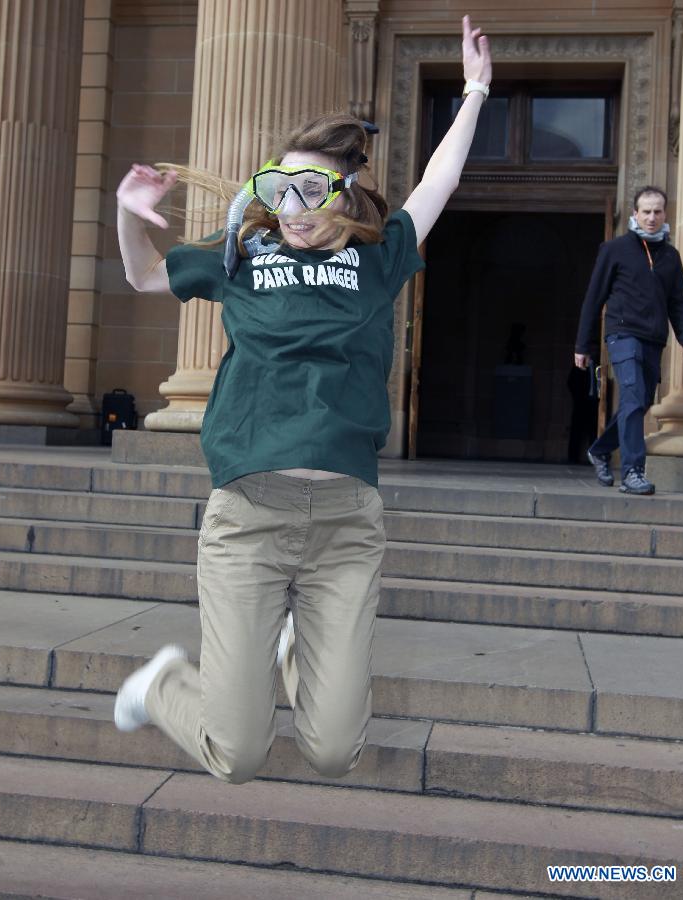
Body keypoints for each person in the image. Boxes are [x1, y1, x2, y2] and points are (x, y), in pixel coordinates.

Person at [112, 16, 492, 783]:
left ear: (343, 192)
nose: (290, 203)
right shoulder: (240, 261)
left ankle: (294, 653)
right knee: (239, 754)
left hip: (346, 527)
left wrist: (475, 91)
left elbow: (437, 182)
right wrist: (129, 212)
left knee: (331, 751)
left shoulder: (379, 260)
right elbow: (143, 277)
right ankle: (161, 685)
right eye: (275, 187)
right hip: (248, 516)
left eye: (309, 187)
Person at [574, 186, 683, 495]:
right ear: (635, 214)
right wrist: (582, 345)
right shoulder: (615, 249)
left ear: (664, 214)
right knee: (632, 394)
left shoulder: (671, 256)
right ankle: (632, 472)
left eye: (657, 212)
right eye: (646, 212)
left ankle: (601, 450)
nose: (652, 217)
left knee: (640, 401)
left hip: (654, 339)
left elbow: (679, 302)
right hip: (622, 334)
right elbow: (593, 298)